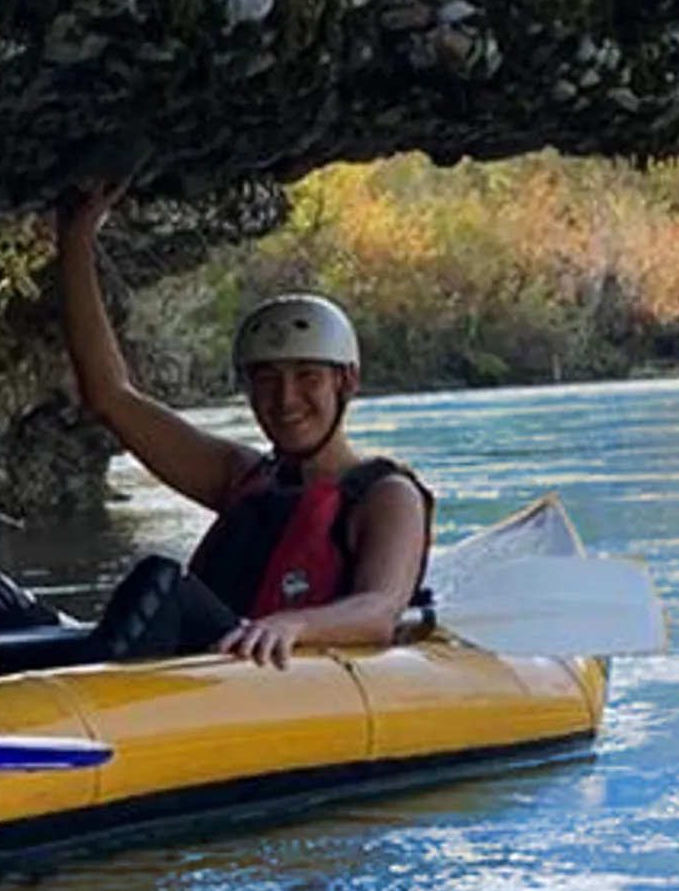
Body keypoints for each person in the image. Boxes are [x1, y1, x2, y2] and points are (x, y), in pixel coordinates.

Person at [54, 180, 432, 666]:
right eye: (267, 379)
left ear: (347, 382)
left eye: (307, 377)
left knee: (161, 582)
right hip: (204, 672)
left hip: (276, 683)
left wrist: (295, 623)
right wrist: (75, 237)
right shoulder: (241, 478)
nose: (286, 398)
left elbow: (380, 611)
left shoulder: (386, 495)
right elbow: (110, 398)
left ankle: (78, 718)